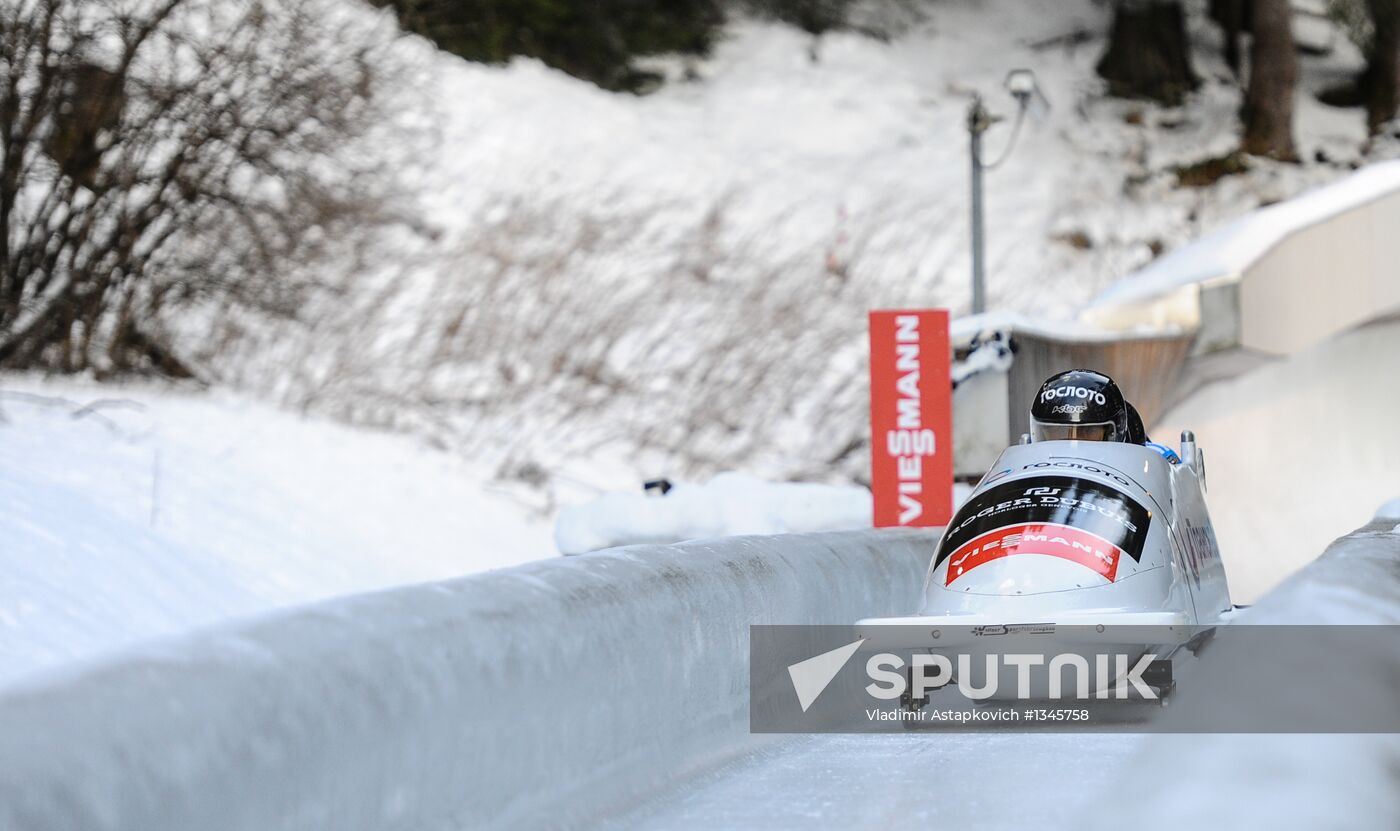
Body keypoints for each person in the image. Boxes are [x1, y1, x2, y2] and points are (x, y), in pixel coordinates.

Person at [1028, 368, 1149, 445]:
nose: (1072, 441)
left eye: (1088, 431)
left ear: (1114, 433)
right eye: (1059, 431)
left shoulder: (1153, 453)